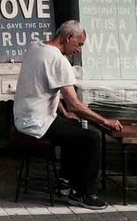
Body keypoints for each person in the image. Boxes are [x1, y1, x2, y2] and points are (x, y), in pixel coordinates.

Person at [13, 20, 122, 210]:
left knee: (74, 128)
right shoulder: (59, 60)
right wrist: (105, 120)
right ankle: (83, 194)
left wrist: (64, 112)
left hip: (23, 117)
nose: (79, 50)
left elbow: (44, 90)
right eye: (79, 44)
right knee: (92, 138)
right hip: (37, 123)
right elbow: (75, 105)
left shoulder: (35, 47)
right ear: (69, 37)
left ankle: (66, 180)